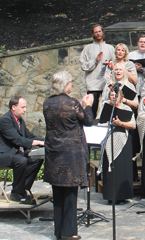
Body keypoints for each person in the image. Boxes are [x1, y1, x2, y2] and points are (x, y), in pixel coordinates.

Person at [43, 71, 94, 240]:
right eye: (71, 82)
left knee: (57, 193)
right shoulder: (72, 103)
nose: (71, 84)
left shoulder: (47, 103)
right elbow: (87, 121)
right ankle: (69, 232)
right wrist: (87, 105)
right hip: (71, 154)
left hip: (54, 153)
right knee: (71, 194)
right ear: (66, 85)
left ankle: (59, 231)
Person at [0, 96, 44, 204]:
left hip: (14, 153)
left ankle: (22, 189)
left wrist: (48, 141)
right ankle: (17, 192)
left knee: (37, 158)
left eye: (25, 107)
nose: (25, 110)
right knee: (21, 160)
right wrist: (38, 143)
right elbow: (17, 140)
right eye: (22, 107)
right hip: (1, 155)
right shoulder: (5, 120)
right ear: (13, 107)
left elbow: (29, 136)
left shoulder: (20, 121)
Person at [101, 87, 136, 203]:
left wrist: (121, 123)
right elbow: (99, 120)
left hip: (123, 139)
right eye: (111, 95)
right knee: (110, 169)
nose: (113, 98)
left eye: (115, 95)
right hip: (109, 139)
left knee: (121, 168)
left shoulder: (126, 108)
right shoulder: (106, 107)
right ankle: (110, 196)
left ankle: (122, 195)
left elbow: (133, 125)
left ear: (121, 97)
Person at [80, 24, 115, 117]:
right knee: (91, 109)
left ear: (103, 32)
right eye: (96, 32)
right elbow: (83, 65)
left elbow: (116, 64)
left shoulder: (110, 48)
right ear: (93, 34)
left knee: (107, 108)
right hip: (93, 84)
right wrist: (95, 60)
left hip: (107, 83)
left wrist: (109, 63)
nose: (98, 33)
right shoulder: (87, 48)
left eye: (99, 31)